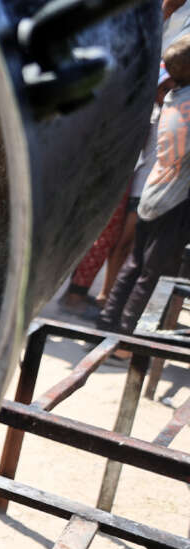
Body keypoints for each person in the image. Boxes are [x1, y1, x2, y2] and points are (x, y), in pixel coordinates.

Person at [99, 38, 190, 335]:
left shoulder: (173, 98)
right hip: (173, 201)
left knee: (134, 265)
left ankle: (107, 324)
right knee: (152, 274)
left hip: (153, 192)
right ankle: (125, 339)